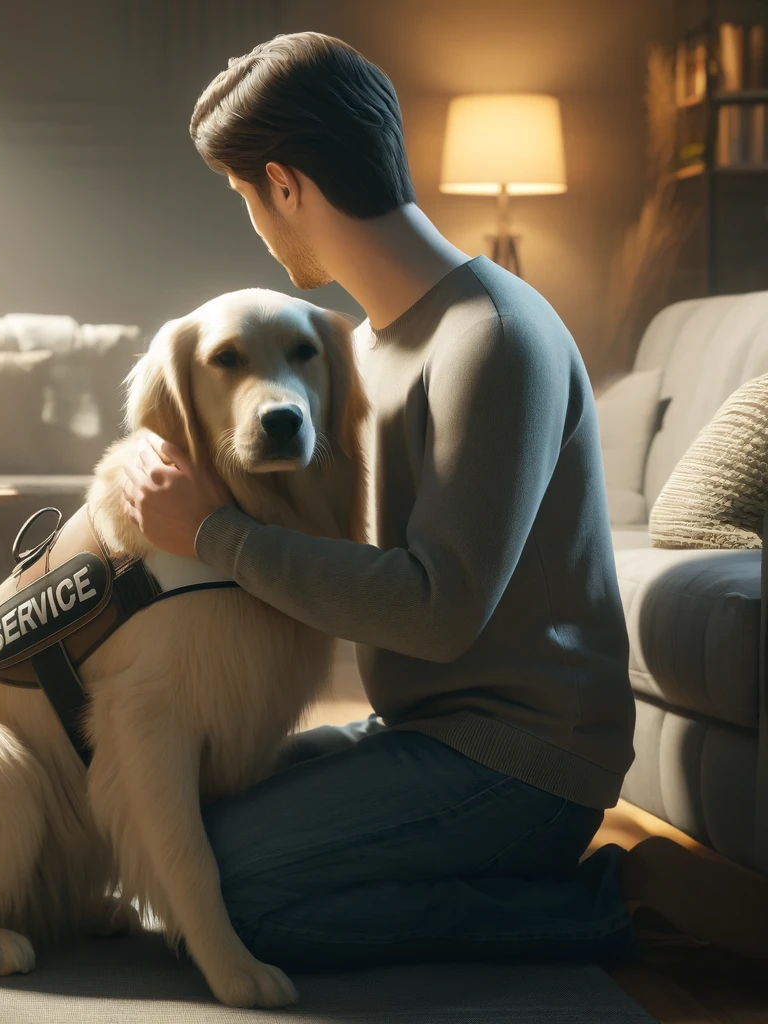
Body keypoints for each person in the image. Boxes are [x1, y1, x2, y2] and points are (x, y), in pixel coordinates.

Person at [121, 31, 767, 971]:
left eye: (247, 198)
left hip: (521, 763)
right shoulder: (365, 349)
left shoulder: (493, 336)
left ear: (287, 185)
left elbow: (436, 609)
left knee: (231, 900)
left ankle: (610, 903)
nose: (255, 224)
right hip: (421, 732)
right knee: (167, 853)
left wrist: (214, 534)